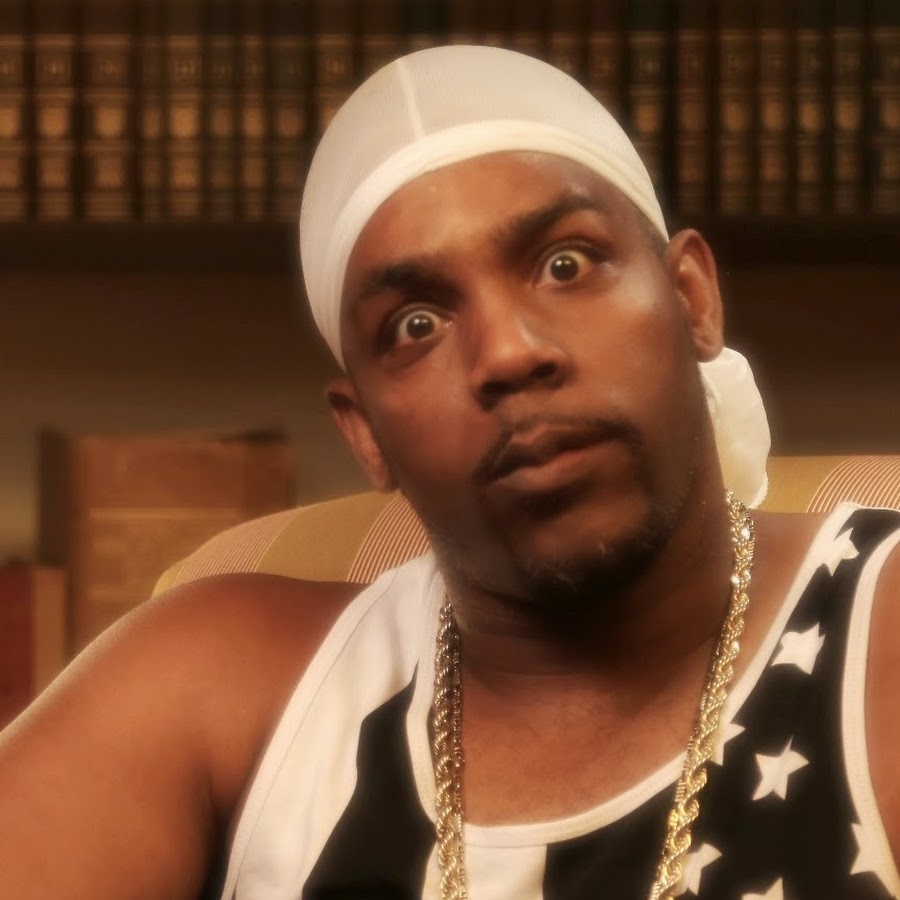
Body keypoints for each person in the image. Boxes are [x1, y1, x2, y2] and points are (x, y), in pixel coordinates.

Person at [1, 45, 898, 900]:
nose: (507, 353)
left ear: (691, 299)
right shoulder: (218, 681)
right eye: (417, 325)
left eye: (565, 265)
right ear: (366, 434)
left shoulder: (880, 632)